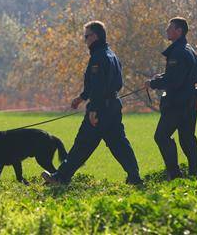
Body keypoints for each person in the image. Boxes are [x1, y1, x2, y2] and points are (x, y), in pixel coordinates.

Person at [42, 21, 143, 185]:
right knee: (119, 144)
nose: (85, 40)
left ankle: (60, 178)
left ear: (95, 36)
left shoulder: (98, 57)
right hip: (113, 106)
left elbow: (98, 86)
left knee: (82, 144)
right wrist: (82, 97)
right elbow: (106, 84)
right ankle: (135, 177)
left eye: (86, 36)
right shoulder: (111, 55)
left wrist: (94, 109)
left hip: (100, 107)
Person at [144, 17, 197, 180]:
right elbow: (179, 75)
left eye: (170, 28)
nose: (167, 31)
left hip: (177, 103)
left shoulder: (177, 52)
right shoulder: (189, 49)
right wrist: (161, 77)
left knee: (161, 136)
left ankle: (175, 174)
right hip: (190, 101)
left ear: (179, 31)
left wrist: (153, 83)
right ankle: (194, 172)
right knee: (187, 137)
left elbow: (174, 81)